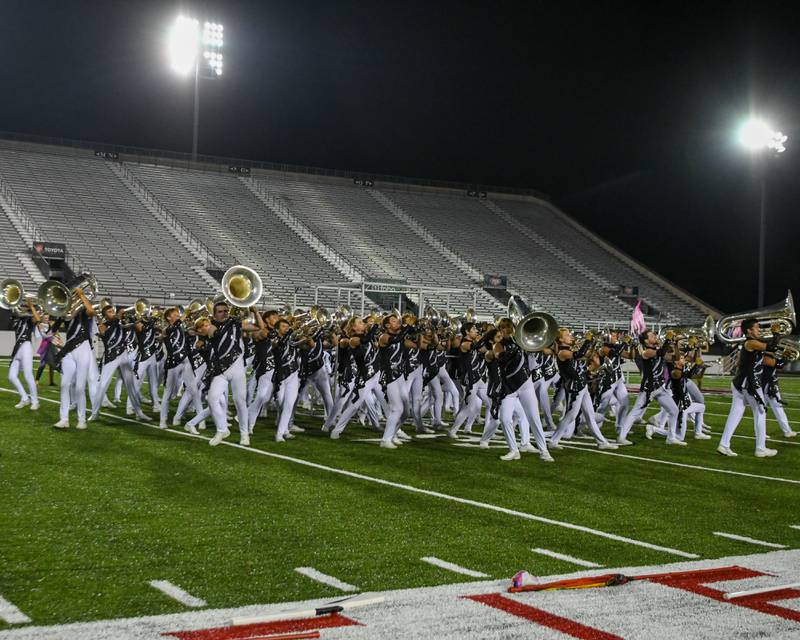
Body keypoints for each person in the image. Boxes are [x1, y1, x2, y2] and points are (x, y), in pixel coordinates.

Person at [198, 302, 259, 446]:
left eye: (226, 310)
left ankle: (244, 435)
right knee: (212, 398)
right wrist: (232, 322)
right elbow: (212, 333)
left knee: (240, 402)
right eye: (220, 311)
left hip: (237, 368)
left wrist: (255, 312)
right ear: (214, 314)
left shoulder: (236, 323)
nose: (224, 313)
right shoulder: (212, 326)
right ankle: (222, 429)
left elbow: (258, 327)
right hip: (221, 369)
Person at [717, 319, 779, 457]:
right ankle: (760, 449)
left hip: (741, 383)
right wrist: (776, 333)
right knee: (761, 412)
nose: (759, 330)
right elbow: (772, 347)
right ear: (749, 331)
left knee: (735, 414)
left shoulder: (750, 344)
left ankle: (723, 445)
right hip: (749, 385)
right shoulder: (750, 342)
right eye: (756, 328)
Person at [548, 329, 617, 450]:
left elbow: (586, 356)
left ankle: (601, 442)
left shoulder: (569, 349)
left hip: (582, 385)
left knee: (590, 416)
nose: (571, 336)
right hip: (574, 387)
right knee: (571, 416)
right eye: (567, 335)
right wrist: (588, 340)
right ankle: (553, 440)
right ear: (560, 339)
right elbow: (579, 355)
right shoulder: (562, 352)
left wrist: (594, 342)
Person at [617, 330, 680, 445]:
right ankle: (621, 437)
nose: (655, 336)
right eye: (652, 335)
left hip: (660, 388)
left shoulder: (657, 349)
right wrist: (668, 340)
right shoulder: (645, 351)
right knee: (635, 412)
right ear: (646, 340)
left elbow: (675, 358)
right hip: (649, 388)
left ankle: (671, 438)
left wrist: (675, 344)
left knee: (674, 410)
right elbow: (660, 352)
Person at [89, 305, 151, 422]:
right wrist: (117, 317)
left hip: (123, 355)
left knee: (131, 385)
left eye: (113, 311)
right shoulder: (103, 325)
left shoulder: (121, 322)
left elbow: (139, 328)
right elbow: (106, 335)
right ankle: (94, 413)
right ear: (105, 315)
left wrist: (133, 318)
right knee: (102, 386)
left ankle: (139, 412)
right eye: (109, 311)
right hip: (111, 357)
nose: (112, 312)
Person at [53, 287, 95, 429]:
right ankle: (64, 419)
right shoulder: (64, 312)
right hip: (69, 350)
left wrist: (82, 296)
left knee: (79, 387)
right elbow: (51, 330)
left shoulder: (82, 310)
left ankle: (81, 420)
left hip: (83, 347)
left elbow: (91, 311)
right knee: (65, 384)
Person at [159, 307, 204, 432]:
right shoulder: (167, 329)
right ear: (169, 318)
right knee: (168, 393)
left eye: (178, 314)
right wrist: (188, 313)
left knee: (194, 390)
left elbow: (191, 332)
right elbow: (175, 326)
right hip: (173, 363)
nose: (178, 315)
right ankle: (163, 420)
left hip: (186, 362)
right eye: (175, 314)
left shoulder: (181, 328)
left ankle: (201, 420)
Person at [8, 300, 40, 411]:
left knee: (28, 375)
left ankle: (35, 401)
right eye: (21, 305)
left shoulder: (29, 318)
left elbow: (37, 319)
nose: (22, 307)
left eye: (23, 305)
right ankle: (25, 398)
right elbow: (14, 313)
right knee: (11, 376)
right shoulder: (16, 318)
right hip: (17, 348)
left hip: (26, 345)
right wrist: (18, 308)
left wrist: (31, 307)